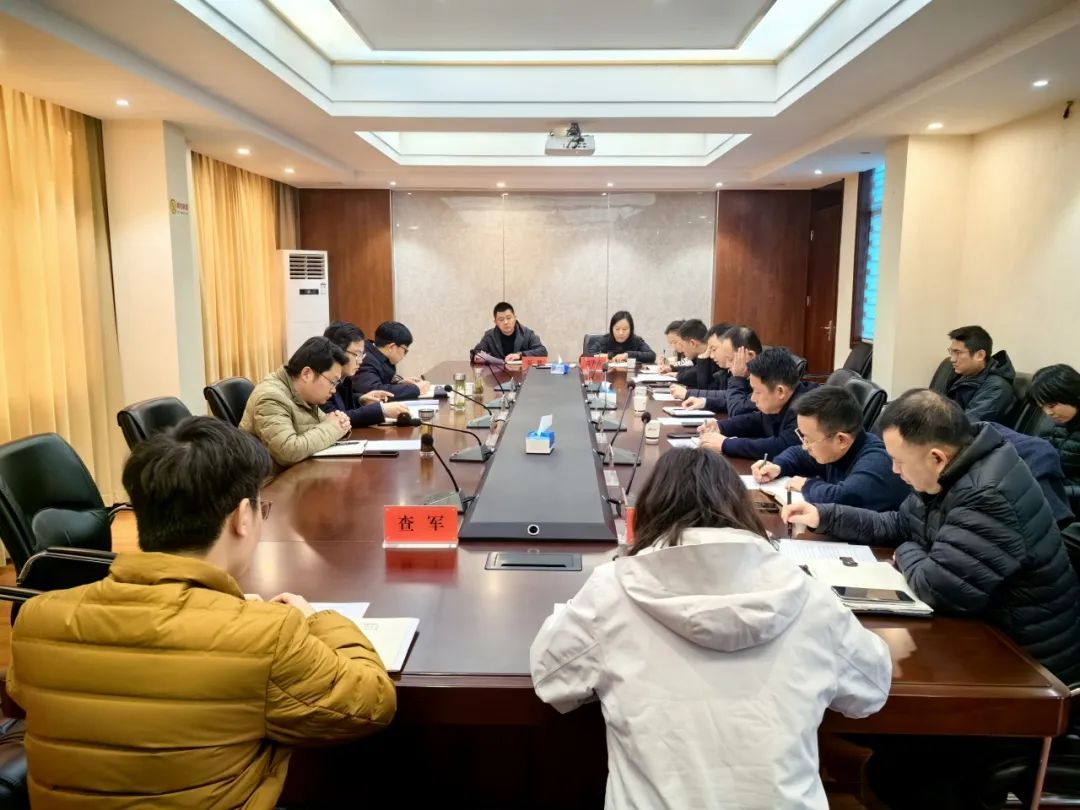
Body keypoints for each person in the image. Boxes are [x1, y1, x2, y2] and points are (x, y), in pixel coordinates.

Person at [7, 417, 396, 809]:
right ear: (242, 517)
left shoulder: (37, 620)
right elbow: (372, 701)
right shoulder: (268, 636)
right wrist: (317, 620)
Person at [530, 448, 891, 810]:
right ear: (740, 509)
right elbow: (871, 691)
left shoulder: (613, 590)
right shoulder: (808, 594)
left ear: (649, 511)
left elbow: (550, 677)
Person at [783, 390, 1080, 809]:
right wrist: (825, 515)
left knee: (902, 768)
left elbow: (938, 587)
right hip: (984, 642)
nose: (893, 470)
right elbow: (899, 523)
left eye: (899, 461)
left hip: (1024, 677)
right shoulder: (956, 469)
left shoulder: (987, 493)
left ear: (937, 457)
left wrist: (907, 550)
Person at [752, 386, 910, 511]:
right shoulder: (835, 448)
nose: (805, 446)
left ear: (841, 440)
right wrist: (778, 467)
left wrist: (807, 485)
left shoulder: (877, 462)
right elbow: (797, 453)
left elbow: (842, 498)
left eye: (809, 440)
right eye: (803, 437)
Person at [240, 336, 352, 469]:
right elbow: (288, 452)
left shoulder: (302, 394)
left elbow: (324, 425)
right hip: (272, 479)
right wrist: (333, 427)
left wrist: (340, 424)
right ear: (306, 374)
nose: (334, 390)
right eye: (332, 382)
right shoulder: (271, 397)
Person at [699, 347, 816, 459]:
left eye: (757, 392)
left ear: (780, 391)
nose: (752, 399)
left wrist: (726, 444)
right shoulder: (780, 402)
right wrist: (721, 426)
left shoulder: (809, 409)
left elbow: (781, 446)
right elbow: (758, 421)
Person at [322, 321, 410, 427]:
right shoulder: (323, 380)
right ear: (338, 352)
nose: (360, 361)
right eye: (357, 354)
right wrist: (381, 410)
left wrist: (361, 399)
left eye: (362, 354)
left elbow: (342, 406)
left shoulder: (344, 378)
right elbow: (337, 419)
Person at [937, 325, 1017, 422]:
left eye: (958, 353)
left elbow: (967, 425)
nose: (952, 359)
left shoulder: (997, 388)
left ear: (980, 355)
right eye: (951, 352)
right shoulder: (962, 373)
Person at [680, 324, 760, 417]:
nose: (728, 365)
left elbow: (739, 410)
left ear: (751, 355)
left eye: (730, 359)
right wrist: (705, 402)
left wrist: (738, 378)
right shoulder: (740, 373)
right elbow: (730, 398)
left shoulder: (764, 379)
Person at [1029, 363, 1080, 504]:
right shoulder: (1064, 420)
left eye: (1051, 406)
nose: (1048, 413)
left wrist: (1053, 490)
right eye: (1042, 407)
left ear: (1073, 395)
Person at [355, 321, 437, 400]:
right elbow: (374, 391)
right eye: (405, 350)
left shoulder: (375, 355)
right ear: (391, 347)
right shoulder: (365, 359)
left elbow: (380, 383)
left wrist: (400, 383)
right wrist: (415, 389)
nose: (404, 355)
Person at [470, 301, 547, 362]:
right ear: (495, 322)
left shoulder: (527, 333)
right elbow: (476, 352)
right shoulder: (489, 336)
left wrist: (520, 355)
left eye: (509, 318)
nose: (506, 322)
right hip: (497, 375)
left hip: (521, 374)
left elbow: (542, 351)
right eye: (501, 319)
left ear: (515, 318)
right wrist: (476, 357)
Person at [586, 310, 656, 363]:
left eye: (624, 329)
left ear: (631, 329)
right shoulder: (605, 340)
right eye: (617, 329)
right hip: (609, 375)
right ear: (612, 329)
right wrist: (609, 356)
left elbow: (652, 355)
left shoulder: (636, 340)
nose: (621, 333)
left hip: (631, 375)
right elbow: (587, 355)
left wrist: (627, 355)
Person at [671, 319, 716, 390]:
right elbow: (691, 368)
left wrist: (678, 374)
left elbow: (688, 376)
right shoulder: (698, 356)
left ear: (692, 343)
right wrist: (672, 368)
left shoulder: (713, 357)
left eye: (682, 345)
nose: (681, 350)